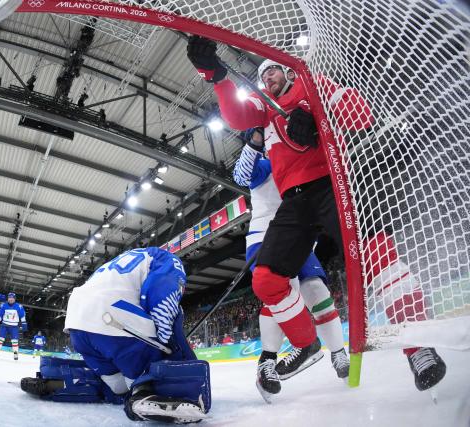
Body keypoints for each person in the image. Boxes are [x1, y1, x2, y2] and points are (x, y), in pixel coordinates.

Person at [187, 35, 446, 392]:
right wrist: (215, 74)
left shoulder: (312, 87)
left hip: (332, 185)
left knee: (376, 257)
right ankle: (307, 343)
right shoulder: (263, 113)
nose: (268, 80)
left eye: (274, 71)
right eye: (263, 77)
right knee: (266, 281)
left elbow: (361, 115)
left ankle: (420, 347)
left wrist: (316, 112)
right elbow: (234, 114)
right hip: (294, 203)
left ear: (289, 72)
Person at [20, 248, 211, 424]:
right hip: (112, 318)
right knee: (145, 377)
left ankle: (55, 382)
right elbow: (161, 299)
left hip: (77, 323)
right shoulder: (170, 260)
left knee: (118, 389)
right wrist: (172, 354)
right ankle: (144, 393)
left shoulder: (127, 260)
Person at [232, 128, 350, 397]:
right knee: (284, 291)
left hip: (299, 236)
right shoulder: (265, 164)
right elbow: (240, 175)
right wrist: (255, 142)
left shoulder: (301, 161)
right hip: (265, 235)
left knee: (317, 291)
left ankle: (338, 353)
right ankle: (268, 362)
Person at [0, 292, 27, 360]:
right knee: (0, 339)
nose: (10, 299)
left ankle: (15, 353)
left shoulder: (19, 306)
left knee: (15, 341)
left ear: (14, 299)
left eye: (12, 298)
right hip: (4, 325)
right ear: (7, 298)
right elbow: (0, 316)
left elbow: (22, 316)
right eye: (9, 298)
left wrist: (24, 323)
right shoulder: (3, 305)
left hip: (14, 327)